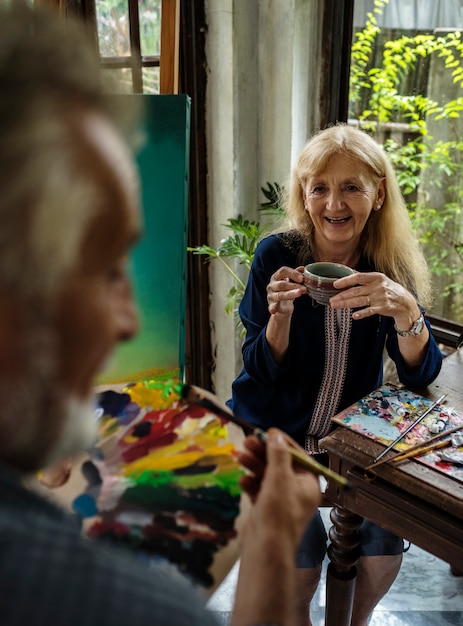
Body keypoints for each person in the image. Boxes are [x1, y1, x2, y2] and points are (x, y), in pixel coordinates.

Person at [0, 7, 321, 626]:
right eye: (106, 268)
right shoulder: (100, 599)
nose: (127, 321)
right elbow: (259, 368)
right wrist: (273, 542)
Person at [228, 123, 443, 626]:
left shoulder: (388, 266)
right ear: (304, 193)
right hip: (278, 433)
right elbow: (258, 374)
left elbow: (420, 376)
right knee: (299, 563)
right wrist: (278, 319)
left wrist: (407, 311)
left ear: (378, 193)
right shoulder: (276, 255)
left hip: (354, 443)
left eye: (352, 187)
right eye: (319, 186)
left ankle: (355, 622)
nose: (334, 203)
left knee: (382, 541)